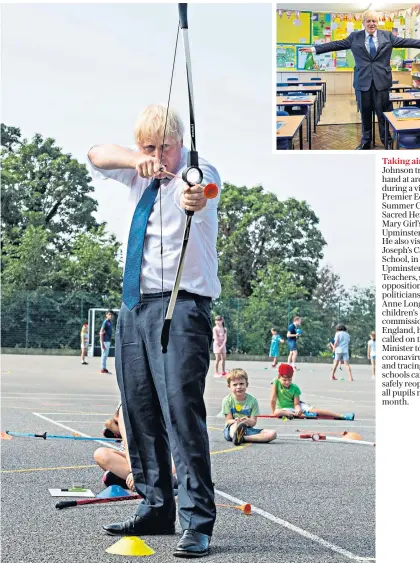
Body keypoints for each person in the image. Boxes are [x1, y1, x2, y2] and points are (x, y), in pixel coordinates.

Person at [87, 104, 221, 557]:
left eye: (165, 147)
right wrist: (133, 159)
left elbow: (204, 192)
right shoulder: (138, 171)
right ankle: (158, 506)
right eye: (149, 148)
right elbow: (95, 153)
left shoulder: (195, 172)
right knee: (139, 410)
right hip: (134, 305)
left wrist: (195, 196)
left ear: (179, 142)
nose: (159, 155)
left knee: (181, 411)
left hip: (181, 306)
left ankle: (197, 520)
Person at [302, 10, 420, 150]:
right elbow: (336, 44)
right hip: (362, 81)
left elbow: (406, 41)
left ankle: (386, 139)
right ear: (363, 22)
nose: (372, 24)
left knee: (383, 113)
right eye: (369, 21)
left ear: (378, 22)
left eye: (374, 21)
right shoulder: (354, 37)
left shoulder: (388, 36)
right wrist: (314, 49)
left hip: (382, 81)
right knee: (365, 113)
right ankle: (366, 140)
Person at [94, 403, 177, 492]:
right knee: (101, 454)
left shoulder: (168, 402)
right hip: (142, 461)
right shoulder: (126, 406)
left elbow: (178, 447)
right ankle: (151, 480)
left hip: (166, 460)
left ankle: (157, 480)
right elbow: (128, 443)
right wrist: (134, 470)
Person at [270, 363, 355, 420]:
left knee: (317, 411)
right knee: (277, 412)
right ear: (278, 376)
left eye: (290, 380)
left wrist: (298, 409)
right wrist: (273, 412)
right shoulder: (276, 382)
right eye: (284, 380)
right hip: (285, 409)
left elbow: (296, 403)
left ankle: (342, 416)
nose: (287, 382)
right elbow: (273, 399)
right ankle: (299, 415)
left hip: (296, 406)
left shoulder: (295, 388)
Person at [222, 368, 277, 445]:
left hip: (247, 428)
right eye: (235, 385)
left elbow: (253, 422)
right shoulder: (227, 400)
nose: (238, 387)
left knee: (273, 433)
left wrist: (247, 421)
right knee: (234, 427)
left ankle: (242, 438)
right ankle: (236, 435)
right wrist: (236, 421)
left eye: (241, 384)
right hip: (231, 427)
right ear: (229, 386)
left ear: (246, 384)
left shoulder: (253, 401)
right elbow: (228, 420)